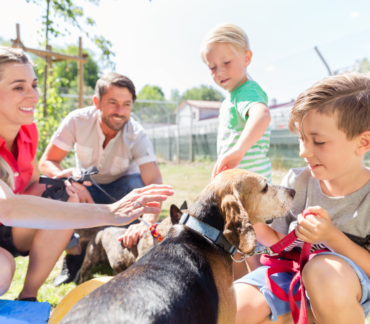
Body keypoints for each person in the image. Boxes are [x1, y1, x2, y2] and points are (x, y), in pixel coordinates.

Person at [235, 72, 370, 324]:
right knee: (233, 307)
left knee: (322, 272)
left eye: (318, 141)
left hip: (342, 284)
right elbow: (276, 240)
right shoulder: (297, 182)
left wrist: (331, 237)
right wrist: (250, 218)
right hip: (288, 273)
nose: (303, 151)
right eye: (301, 138)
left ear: (363, 142)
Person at [39, 72, 164, 285]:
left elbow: (154, 182)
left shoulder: (137, 134)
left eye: (127, 104)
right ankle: (74, 253)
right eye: (113, 103)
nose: (120, 111)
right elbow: (47, 161)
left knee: (137, 184)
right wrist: (70, 182)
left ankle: (125, 242)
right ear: (97, 102)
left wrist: (147, 223)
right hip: (86, 188)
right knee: (53, 188)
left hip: (121, 193)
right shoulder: (77, 121)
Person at [0, 156, 174, 297]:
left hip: (8, 239)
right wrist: (109, 212)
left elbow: (28, 190)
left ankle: (28, 295)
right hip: (11, 221)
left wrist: (59, 181)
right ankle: (74, 249)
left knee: (3, 273)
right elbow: (8, 207)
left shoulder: (27, 132)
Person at [200, 23, 271, 274]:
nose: (219, 72)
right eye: (212, 68)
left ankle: (274, 273)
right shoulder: (231, 97)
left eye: (226, 62)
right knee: (240, 238)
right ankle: (254, 280)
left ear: (247, 57)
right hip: (239, 187)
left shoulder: (246, 91)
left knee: (254, 234)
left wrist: (239, 150)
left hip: (250, 188)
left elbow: (261, 116)